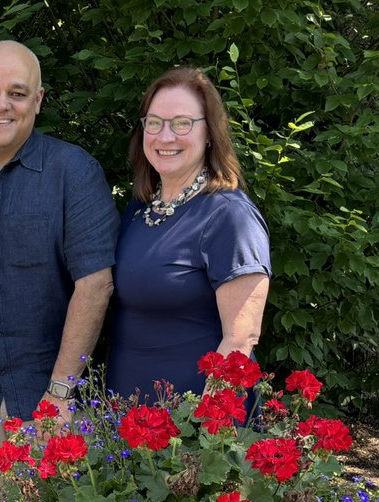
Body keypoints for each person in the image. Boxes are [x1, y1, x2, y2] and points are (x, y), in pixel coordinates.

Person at [0, 40, 118, 481]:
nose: (2, 105)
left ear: (38, 100)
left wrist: (59, 393)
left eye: (17, 93)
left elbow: (95, 285)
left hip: (50, 399)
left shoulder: (73, 172)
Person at [107, 66, 271, 401]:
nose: (165, 136)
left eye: (182, 123)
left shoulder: (228, 215)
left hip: (193, 430)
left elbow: (240, 340)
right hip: (128, 427)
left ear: (209, 132)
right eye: (154, 123)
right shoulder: (140, 211)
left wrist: (204, 433)